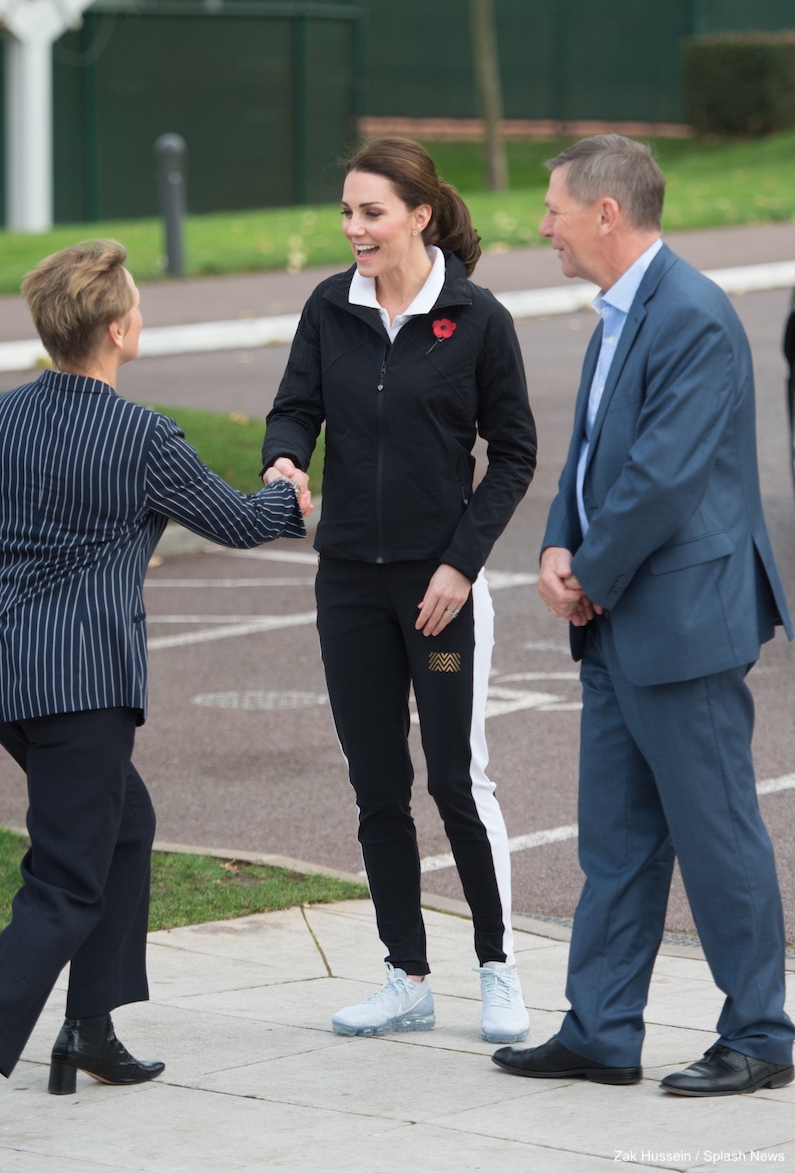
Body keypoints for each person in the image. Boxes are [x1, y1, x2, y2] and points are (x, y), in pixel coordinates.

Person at [0, 239, 310, 1141]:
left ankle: (91, 1024)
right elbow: (241, 521)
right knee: (66, 881)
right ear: (120, 329)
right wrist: (292, 493)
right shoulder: (143, 437)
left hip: (2, 672)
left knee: (127, 823)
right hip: (80, 682)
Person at [492, 135, 795, 1096]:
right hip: (621, 610)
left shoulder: (694, 316)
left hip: (681, 617)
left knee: (716, 832)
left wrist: (586, 572)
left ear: (606, 213)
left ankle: (762, 1033)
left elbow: (662, 476)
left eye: (554, 210)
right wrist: (555, 539)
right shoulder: (620, 314)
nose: (544, 226)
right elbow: (589, 453)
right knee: (616, 837)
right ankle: (603, 1028)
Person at [262, 137, 537, 1042]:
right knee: (376, 783)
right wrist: (285, 458)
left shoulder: (477, 318)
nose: (354, 230)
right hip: (346, 582)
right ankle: (405, 974)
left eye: (370, 213)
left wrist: (461, 563)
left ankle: (498, 967)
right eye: (346, 213)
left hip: (439, 586)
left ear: (420, 214)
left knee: (458, 778)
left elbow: (515, 452)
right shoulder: (329, 308)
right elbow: (296, 403)